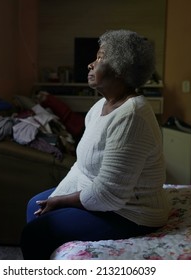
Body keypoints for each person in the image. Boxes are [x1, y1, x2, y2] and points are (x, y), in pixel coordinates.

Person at [20, 29, 169, 259]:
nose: (91, 64)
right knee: (34, 206)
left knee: (36, 234)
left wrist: (60, 201)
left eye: (100, 58)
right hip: (103, 197)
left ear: (121, 68)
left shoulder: (132, 116)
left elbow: (109, 194)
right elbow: (81, 165)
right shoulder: (100, 107)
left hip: (129, 212)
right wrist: (55, 198)